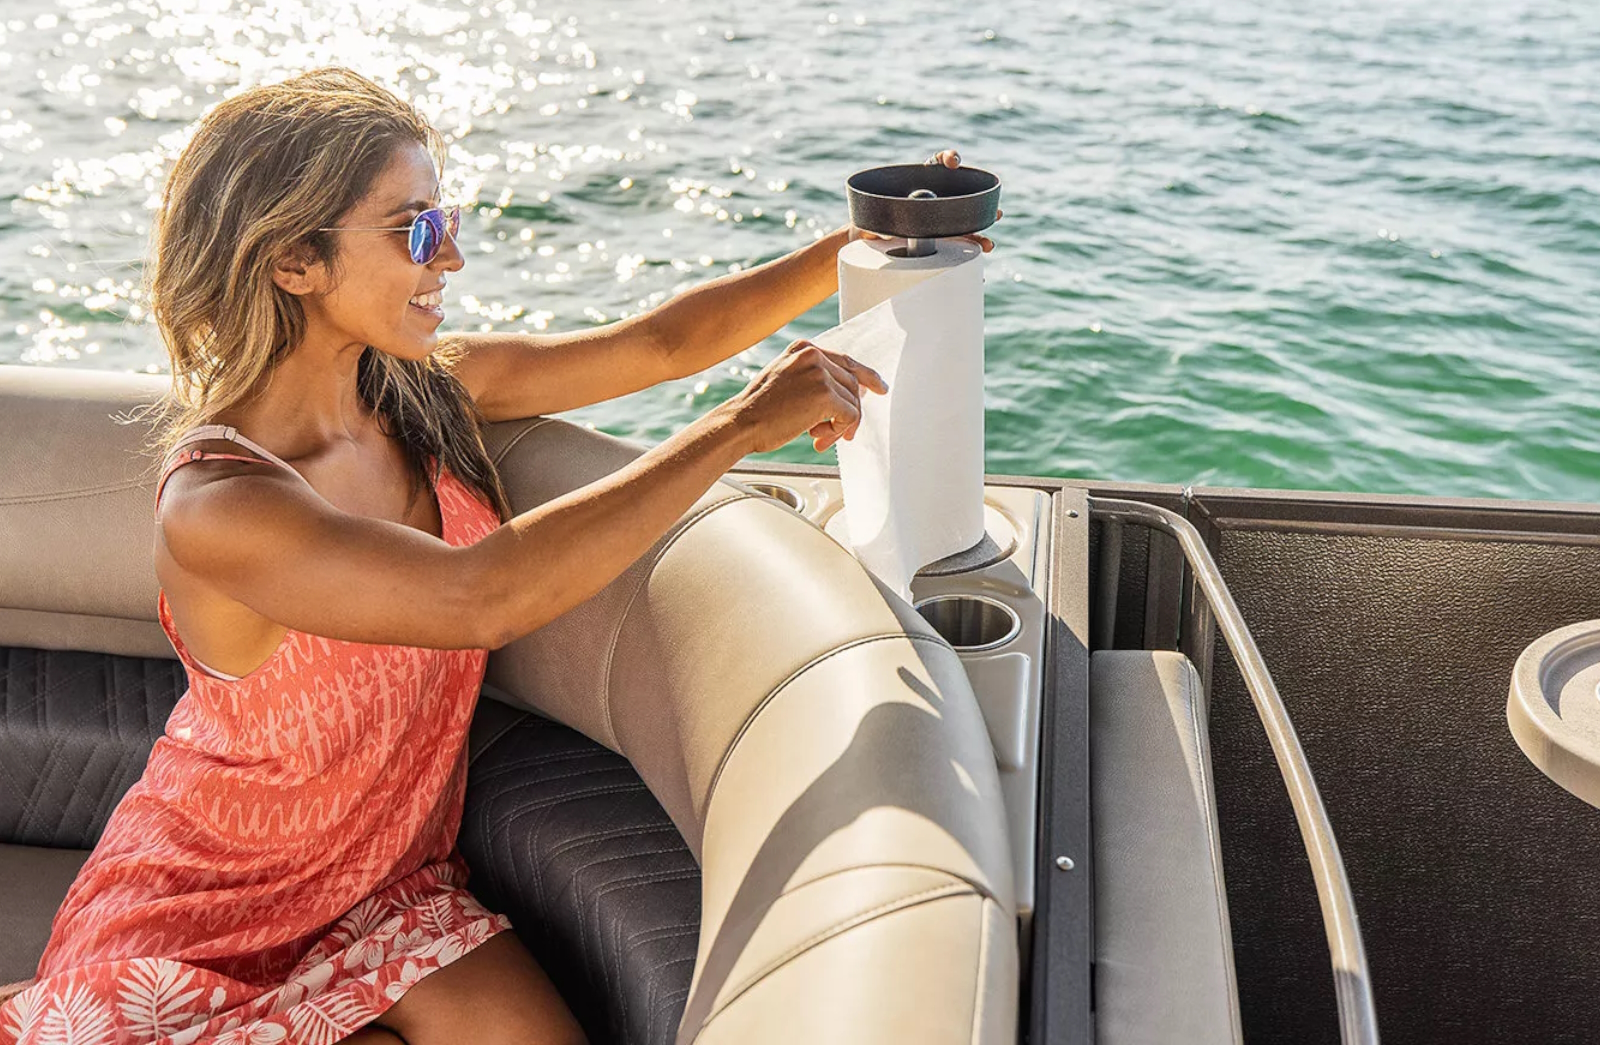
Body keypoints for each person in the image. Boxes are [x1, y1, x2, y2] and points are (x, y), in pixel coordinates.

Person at [0, 68, 996, 1045]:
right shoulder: (222, 505)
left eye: (447, 221)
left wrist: (862, 246)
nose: (451, 258)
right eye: (414, 230)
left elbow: (656, 346)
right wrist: (739, 426)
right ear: (293, 260)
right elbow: (478, 598)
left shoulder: (420, 391)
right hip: (204, 917)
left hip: (388, 889)